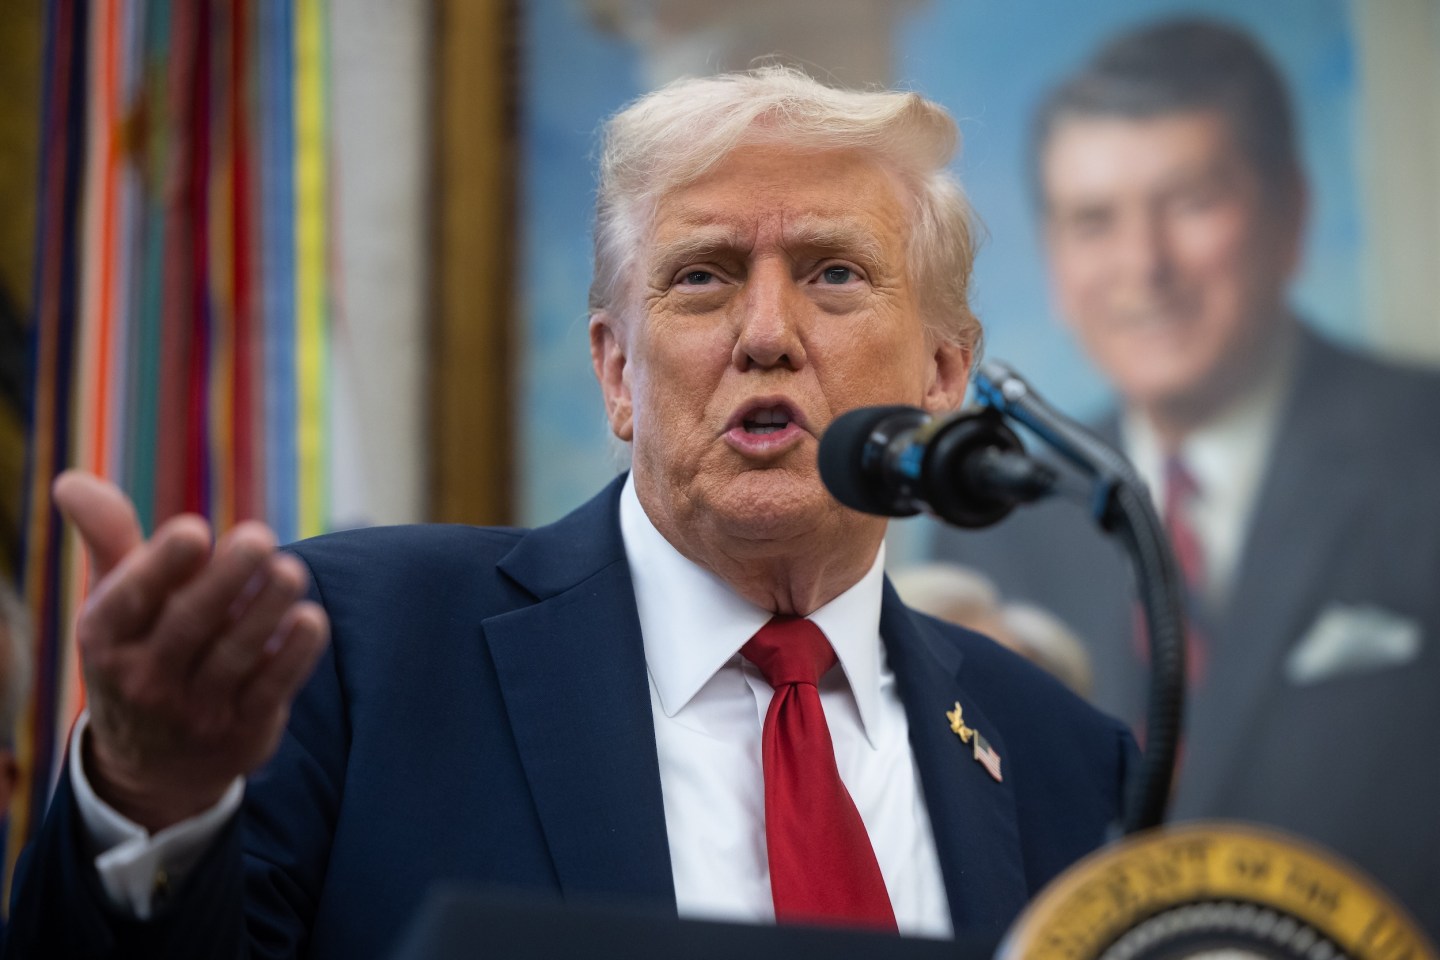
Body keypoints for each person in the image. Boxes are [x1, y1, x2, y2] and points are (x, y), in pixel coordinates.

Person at [5, 68, 1135, 957]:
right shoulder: (351, 652)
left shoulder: (1069, 763)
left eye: (835, 273)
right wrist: (149, 803)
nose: (765, 334)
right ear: (616, 373)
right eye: (702, 276)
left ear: (944, 372)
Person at [932, 18, 1440, 936]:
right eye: (1094, 221)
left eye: (1193, 202)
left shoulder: (1425, 449)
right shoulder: (996, 512)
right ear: (1054, 259)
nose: (1144, 267)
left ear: (1290, 216)